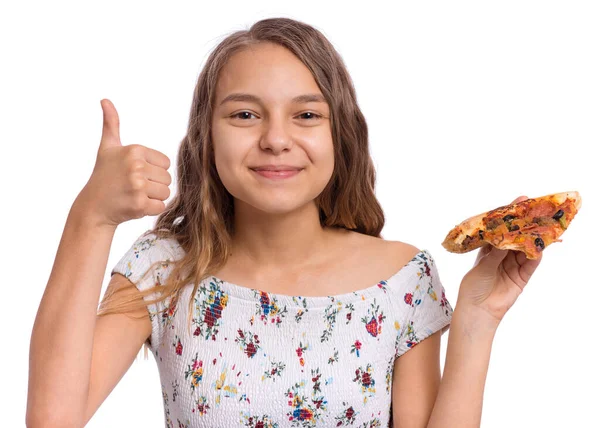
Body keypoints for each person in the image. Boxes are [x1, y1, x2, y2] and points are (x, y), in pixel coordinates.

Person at [26, 17, 542, 428]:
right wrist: (90, 217)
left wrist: (477, 320)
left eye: (306, 115)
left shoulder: (403, 279)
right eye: (245, 115)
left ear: (341, 135)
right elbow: (53, 419)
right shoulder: (164, 269)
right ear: (206, 138)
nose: (276, 138)